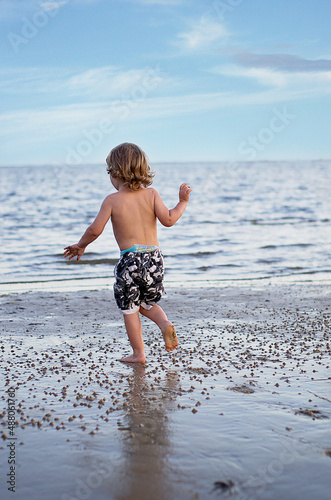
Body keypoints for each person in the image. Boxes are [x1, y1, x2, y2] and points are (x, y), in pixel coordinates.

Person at [64, 142, 192, 363]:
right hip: (154, 259)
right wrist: (182, 202)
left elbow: (95, 230)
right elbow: (169, 220)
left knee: (130, 308)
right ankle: (164, 323)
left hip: (130, 260)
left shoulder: (112, 200)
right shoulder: (152, 194)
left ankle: (138, 354)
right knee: (146, 303)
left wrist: (81, 245)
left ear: (115, 173)